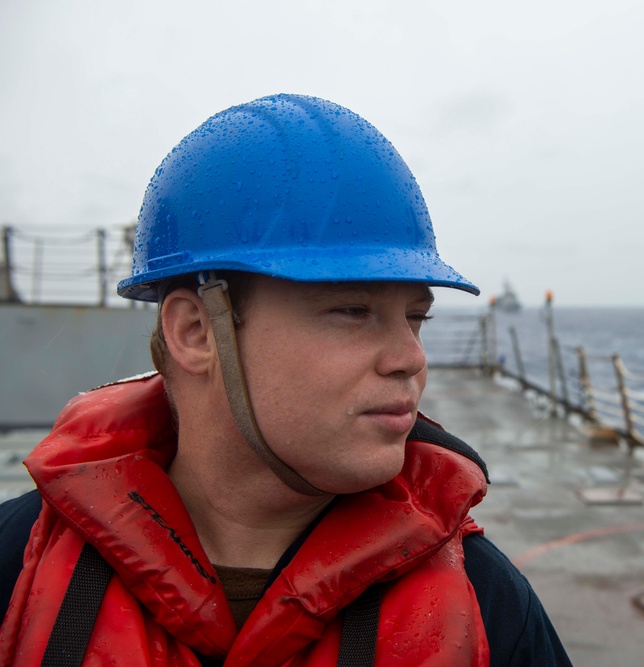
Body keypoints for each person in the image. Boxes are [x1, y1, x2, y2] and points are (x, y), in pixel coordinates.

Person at [0, 94, 571, 666]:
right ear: (196, 331)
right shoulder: (14, 567)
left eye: (415, 318)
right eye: (352, 311)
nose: (410, 358)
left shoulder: (492, 606)